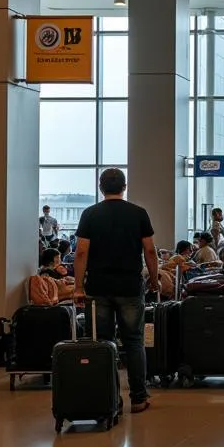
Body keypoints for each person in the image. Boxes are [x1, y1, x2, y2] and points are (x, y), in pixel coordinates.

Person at [73, 168, 157, 415]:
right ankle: (139, 398)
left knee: (102, 343)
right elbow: (150, 251)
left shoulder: (90, 214)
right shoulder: (139, 214)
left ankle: (110, 399)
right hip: (130, 287)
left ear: (101, 187)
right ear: (125, 186)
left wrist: (78, 286)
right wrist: (153, 280)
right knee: (134, 342)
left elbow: (81, 252)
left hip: (98, 288)